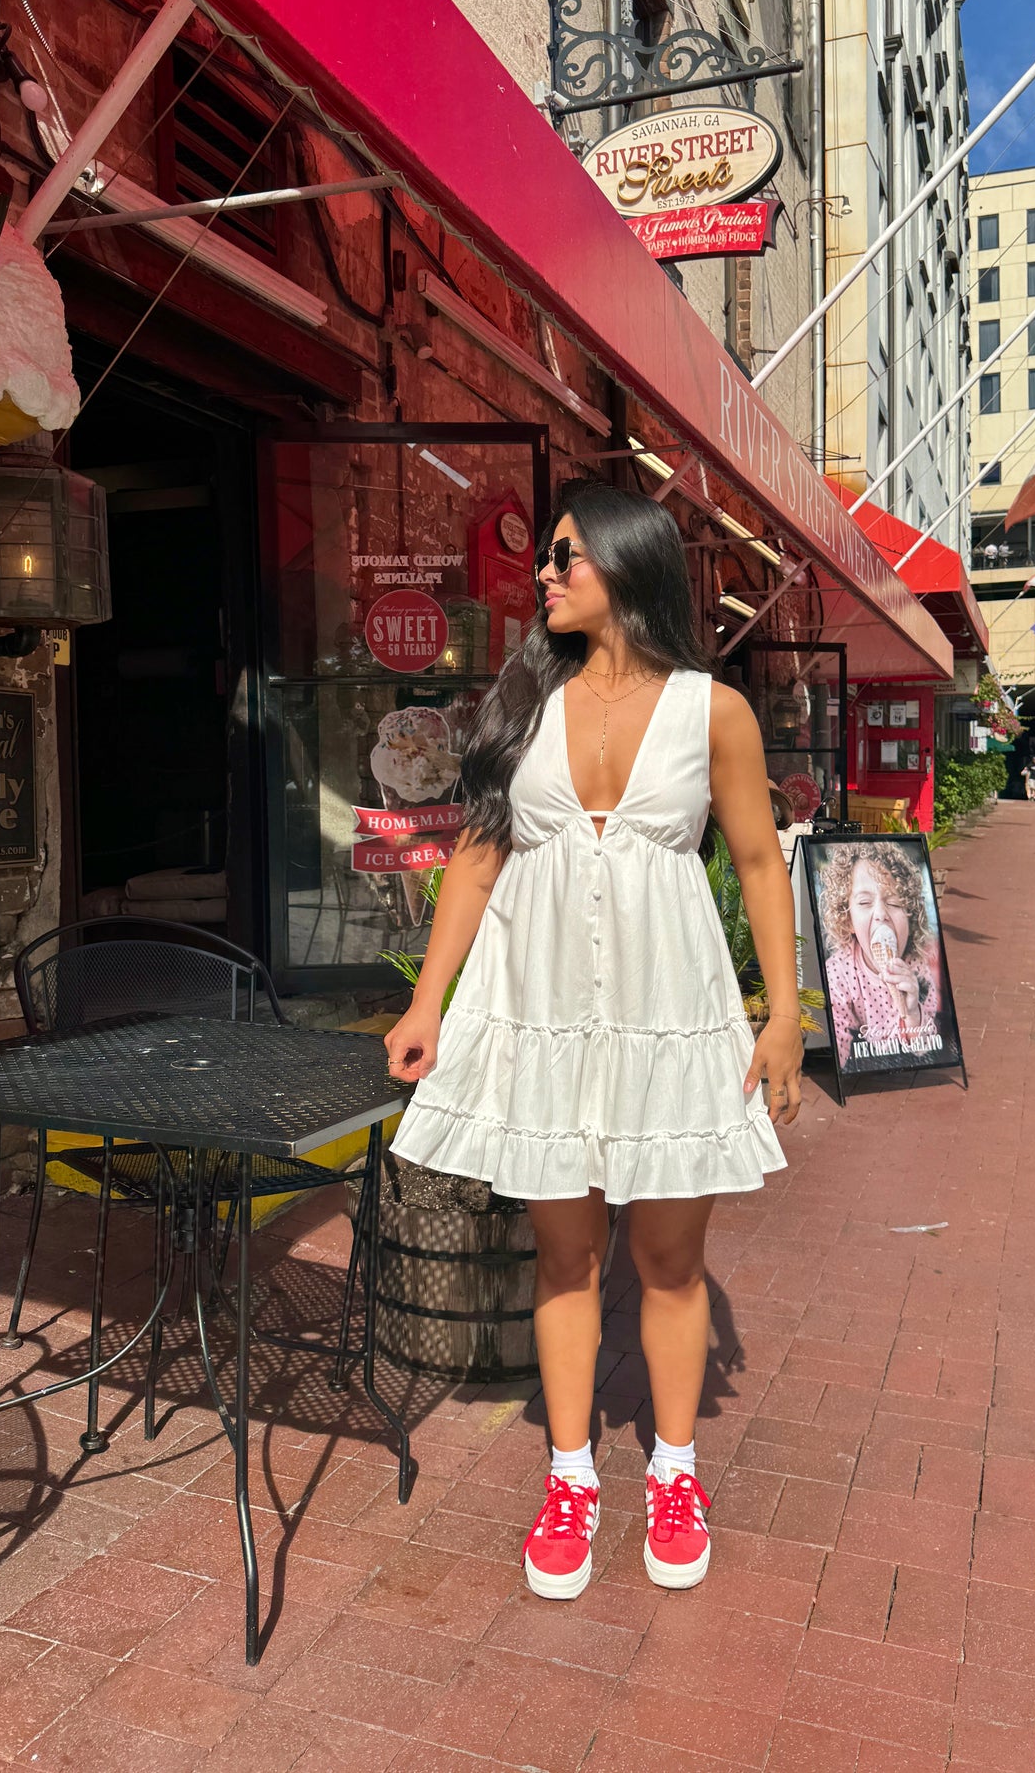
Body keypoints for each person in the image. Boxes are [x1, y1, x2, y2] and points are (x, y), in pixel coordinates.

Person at [385, 482, 802, 1603]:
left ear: (628, 562)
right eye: (549, 558)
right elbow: (477, 856)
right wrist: (428, 1001)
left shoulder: (710, 711)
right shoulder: (521, 704)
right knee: (563, 1259)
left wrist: (784, 1015)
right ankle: (571, 1476)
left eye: (567, 555)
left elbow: (759, 863)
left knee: (669, 1265)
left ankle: (674, 1470)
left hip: (670, 1019)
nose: (548, 572)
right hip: (547, 1020)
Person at [817, 843, 941, 1066]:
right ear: (847, 919)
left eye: (893, 902)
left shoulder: (916, 968)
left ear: (910, 915)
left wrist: (912, 1013)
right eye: (865, 902)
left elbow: (927, 1049)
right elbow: (838, 1043)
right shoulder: (838, 973)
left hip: (905, 1066)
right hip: (863, 1065)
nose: (881, 914)